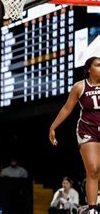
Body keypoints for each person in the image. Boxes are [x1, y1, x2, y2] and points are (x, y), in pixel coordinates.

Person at [49, 56, 100, 213]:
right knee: (93, 170)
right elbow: (67, 108)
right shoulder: (79, 87)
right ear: (88, 69)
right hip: (88, 130)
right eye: (98, 65)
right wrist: (53, 127)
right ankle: (92, 209)